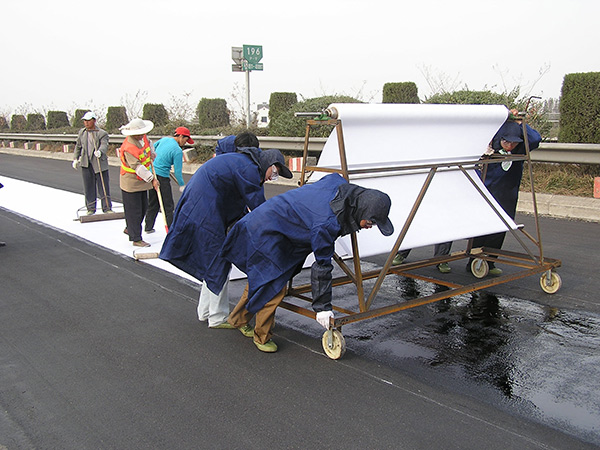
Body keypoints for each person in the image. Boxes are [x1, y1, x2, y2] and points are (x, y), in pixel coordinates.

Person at [220, 173, 394, 353]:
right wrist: (323, 307)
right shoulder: (326, 223)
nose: (370, 226)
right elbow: (322, 266)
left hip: (270, 222)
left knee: (260, 278)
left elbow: (331, 178)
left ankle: (238, 320)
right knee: (274, 284)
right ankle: (261, 336)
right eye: (371, 221)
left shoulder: (339, 185)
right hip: (267, 232)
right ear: (362, 210)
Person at [159, 132, 292, 329]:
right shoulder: (249, 169)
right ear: (268, 164)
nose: (272, 178)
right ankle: (217, 317)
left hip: (199, 206)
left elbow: (240, 204)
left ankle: (205, 312)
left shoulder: (241, 161)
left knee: (212, 260)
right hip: (205, 210)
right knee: (219, 260)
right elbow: (258, 208)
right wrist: (278, 230)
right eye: (274, 173)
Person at [469, 115, 541, 276]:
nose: (510, 146)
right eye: (506, 142)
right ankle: (474, 260)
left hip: (508, 195)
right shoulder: (490, 149)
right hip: (487, 194)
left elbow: (535, 139)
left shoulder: (520, 150)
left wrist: (520, 123)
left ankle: (490, 262)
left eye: (514, 142)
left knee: (501, 228)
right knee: (482, 228)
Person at [119, 118, 159, 247]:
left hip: (142, 181)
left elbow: (149, 145)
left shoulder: (144, 137)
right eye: (139, 134)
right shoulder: (128, 147)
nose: (142, 135)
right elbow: (138, 167)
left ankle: (130, 228)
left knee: (143, 208)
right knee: (134, 211)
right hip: (131, 182)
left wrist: (152, 153)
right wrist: (152, 179)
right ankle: (136, 238)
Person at [144, 126, 193, 232]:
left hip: (152, 174)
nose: (185, 143)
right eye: (185, 140)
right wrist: (182, 185)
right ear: (180, 136)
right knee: (168, 205)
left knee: (154, 202)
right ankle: (171, 229)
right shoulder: (177, 151)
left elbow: (152, 150)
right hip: (162, 178)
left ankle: (148, 227)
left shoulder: (164, 139)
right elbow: (178, 172)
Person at [72, 111, 113, 215]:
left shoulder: (102, 133)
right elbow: (78, 146)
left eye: (88, 120)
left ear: (94, 121)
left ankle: (107, 207)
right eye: (85, 121)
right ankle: (90, 208)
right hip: (86, 163)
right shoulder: (82, 132)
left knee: (103, 186)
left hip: (99, 163)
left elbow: (104, 145)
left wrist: (100, 151)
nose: (86, 123)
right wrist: (75, 158)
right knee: (88, 187)